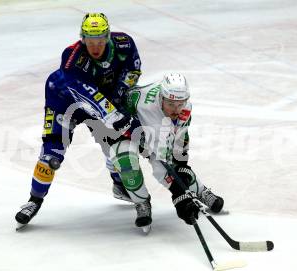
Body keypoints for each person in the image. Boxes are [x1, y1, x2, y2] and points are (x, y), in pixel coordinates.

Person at [15, 12, 142, 229]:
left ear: (108, 37)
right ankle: (34, 200)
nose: (95, 46)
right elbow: (87, 94)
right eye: (90, 41)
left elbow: (133, 69)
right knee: (52, 154)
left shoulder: (124, 44)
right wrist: (114, 114)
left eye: (100, 40)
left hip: (103, 99)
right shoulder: (72, 58)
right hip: (64, 101)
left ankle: (119, 186)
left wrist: (119, 96)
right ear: (82, 38)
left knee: (113, 144)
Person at [108, 73, 224, 231]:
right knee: (124, 157)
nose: (176, 110)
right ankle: (141, 201)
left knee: (177, 168)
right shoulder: (149, 110)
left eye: (180, 104)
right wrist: (180, 196)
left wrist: (183, 166)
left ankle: (200, 190)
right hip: (124, 132)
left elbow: (180, 139)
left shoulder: (184, 107)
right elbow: (161, 165)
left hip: (150, 133)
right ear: (162, 98)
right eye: (171, 104)